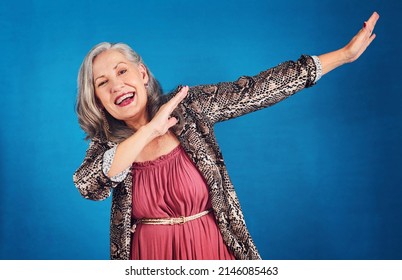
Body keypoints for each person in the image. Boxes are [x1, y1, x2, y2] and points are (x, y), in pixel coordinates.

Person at [73, 12, 379, 260]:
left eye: (122, 71)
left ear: (142, 74)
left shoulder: (188, 107)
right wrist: (149, 130)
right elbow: (89, 185)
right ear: (99, 99)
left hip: (213, 252)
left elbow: (258, 89)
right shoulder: (108, 146)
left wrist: (344, 55)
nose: (116, 85)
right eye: (103, 82)